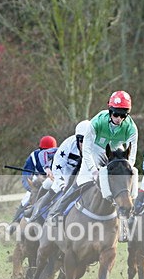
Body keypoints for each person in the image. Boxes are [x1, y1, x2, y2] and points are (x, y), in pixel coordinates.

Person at [48, 90, 138, 220]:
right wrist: (93, 170)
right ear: (109, 109)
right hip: (95, 151)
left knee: (132, 173)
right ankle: (57, 211)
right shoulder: (97, 122)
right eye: (116, 114)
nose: (119, 119)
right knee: (80, 182)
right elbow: (87, 148)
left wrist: (127, 167)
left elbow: (132, 153)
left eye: (124, 115)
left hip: (115, 152)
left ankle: (131, 212)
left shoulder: (132, 128)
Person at [29, 120, 90, 223]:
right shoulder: (67, 145)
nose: (84, 144)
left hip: (82, 173)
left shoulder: (95, 146)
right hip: (65, 171)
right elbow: (54, 161)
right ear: (77, 138)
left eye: (88, 140)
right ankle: (35, 211)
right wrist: (59, 181)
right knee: (52, 185)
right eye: (82, 140)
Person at [10, 135, 58, 223]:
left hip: (54, 184)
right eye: (43, 150)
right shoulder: (33, 156)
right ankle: (14, 223)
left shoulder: (59, 155)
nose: (46, 153)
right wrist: (32, 188)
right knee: (26, 200)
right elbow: (26, 175)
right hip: (36, 184)